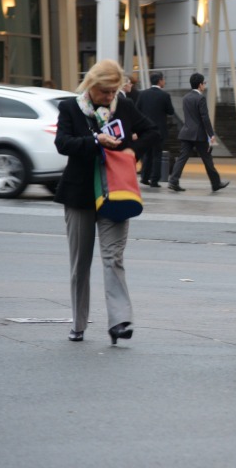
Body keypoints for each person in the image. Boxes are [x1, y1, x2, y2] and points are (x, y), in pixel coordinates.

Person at [53, 59, 160, 344]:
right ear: (91, 86)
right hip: (79, 194)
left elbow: (153, 132)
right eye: (105, 92)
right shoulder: (70, 108)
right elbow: (63, 143)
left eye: (114, 91)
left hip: (116, 192)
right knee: (81, 263)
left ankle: (120, 321)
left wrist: (131, 152)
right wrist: (95, 141)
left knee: (113, 258)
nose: (110, 97)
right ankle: (78, 324)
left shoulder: (123, 106)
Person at [168, 72, 229, 193]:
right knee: (207, 159)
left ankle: (173, 181)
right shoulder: (200, 98)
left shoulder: (185, 97)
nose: (204, 85)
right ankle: (216, 183)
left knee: (182, 158)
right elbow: (204, 118)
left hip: (186, 133)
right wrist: (211, 135)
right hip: (199, 135)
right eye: (204, 83)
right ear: (200, 84)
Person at [136, 71, 175, 188]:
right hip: (159, 130)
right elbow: (171, 111)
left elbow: (137, 110)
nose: (164, 82)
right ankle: (154, 179)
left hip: (145, 129)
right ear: (160, 81)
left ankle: (144, 177)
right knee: (157, 155)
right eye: (163, 80)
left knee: (147, 154)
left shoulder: (142, 94)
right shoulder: (165, 96)